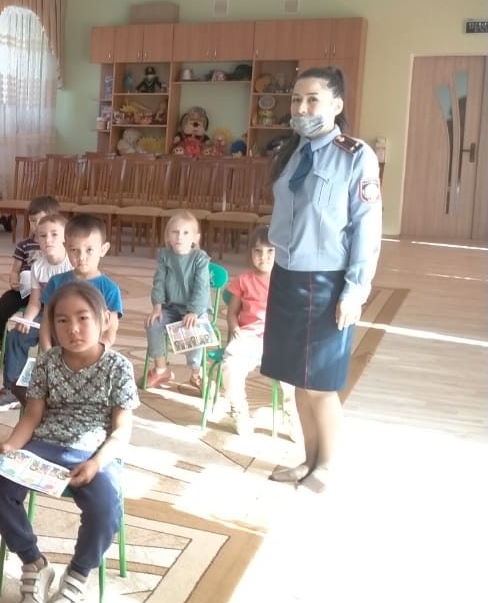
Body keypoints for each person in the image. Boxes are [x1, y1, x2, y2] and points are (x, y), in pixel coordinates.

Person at [0, 280, 136, 603]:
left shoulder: (118, 367)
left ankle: (78, 574)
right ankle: (34, 563)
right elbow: (32, 416)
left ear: (104, 320)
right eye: (62, 320)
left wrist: (96, 464)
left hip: (96, 451)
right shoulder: (47, 362)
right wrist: (11, 446)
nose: (73, 329)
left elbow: (121, 431)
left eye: (83, 318)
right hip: (46, 444)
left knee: (105, 507)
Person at [262, 67, 382, 493]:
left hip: (327, 281)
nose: (302, 108)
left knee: (321, 383)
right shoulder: (291, 152)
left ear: (336, 105)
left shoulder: (355, 156)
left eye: (313, 99)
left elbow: (367, 227)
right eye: (296, 99)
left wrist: (356, 289)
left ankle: (326, 465)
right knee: (297, 377)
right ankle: (308, 459)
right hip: (287, 276)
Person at [0, 213, 71, 412]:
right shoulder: (38, 266)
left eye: (54, 234)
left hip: (68, 318)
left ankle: (63, 392)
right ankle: (12, 391)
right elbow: (34, 302)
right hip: (44, 314)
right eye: (43, 235)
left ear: (65, 237)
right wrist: (27, 320)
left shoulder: (71, 265)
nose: (48, 240)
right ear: (37, 238)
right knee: (16, 336)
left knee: (64, 344)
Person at [144, 211, 212, 392]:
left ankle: (196, 373)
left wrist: (193, 311)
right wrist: (157, 307)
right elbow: (159, 282)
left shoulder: (200, 258)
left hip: (195, 309)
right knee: (153, 324)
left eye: (185, 233)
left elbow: (202, 287)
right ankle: (161, 369)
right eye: (175, 232)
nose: (180, 237)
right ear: (167, 236)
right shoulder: (165, 255)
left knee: (195, 329)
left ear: (195, 238)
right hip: (171, 307)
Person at [220, 225, 278, 435]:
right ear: (250, 253)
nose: (264, 256)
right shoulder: (244, 280)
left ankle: (291, 411)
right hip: (249, 337)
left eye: (270, 251)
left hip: (277, 337)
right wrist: (235, 328)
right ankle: (238, 408)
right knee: (230, 366)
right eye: (258, 251)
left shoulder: (284, 280)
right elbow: (232, 312)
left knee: (295, 370)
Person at [0, 195, 61, 345]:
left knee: (55, 321)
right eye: (32, 221)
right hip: (24, 290)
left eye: (41, 220)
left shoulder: (58, 245)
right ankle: (5, 341)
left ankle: (53, 350)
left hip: (48, 292)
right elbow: (15, 270)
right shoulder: (24, 245)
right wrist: (14, 280)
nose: (36, 225)